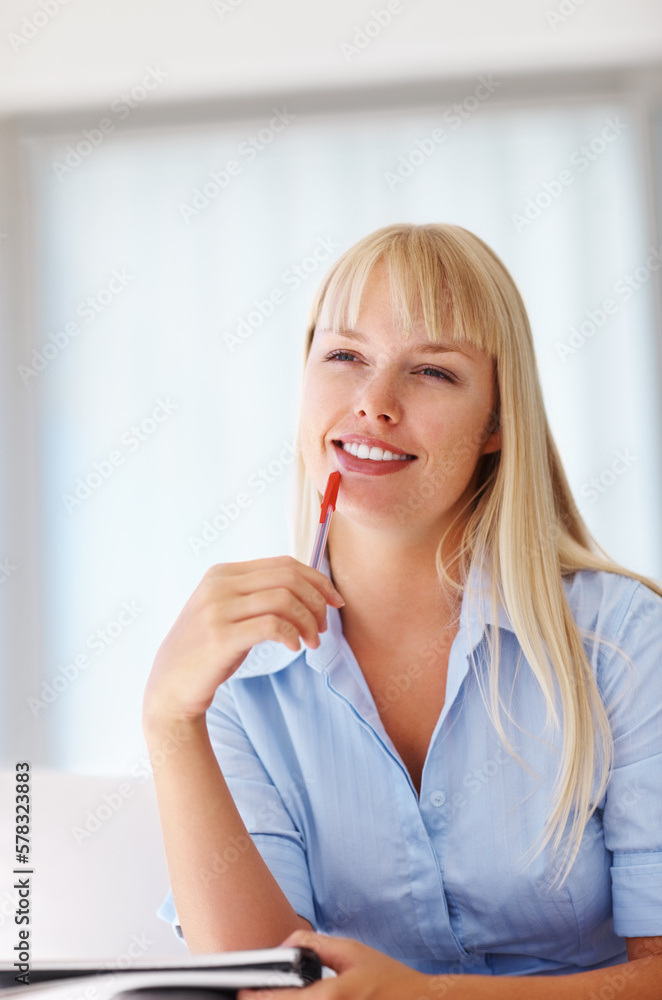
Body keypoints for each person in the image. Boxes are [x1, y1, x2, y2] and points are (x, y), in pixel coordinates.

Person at [143, 223, 662, 998]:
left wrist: (428, 998)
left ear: (495, 426)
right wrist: (167, 720)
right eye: (344, 356)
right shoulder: (235, 682)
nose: (373, 404)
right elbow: (259, 986)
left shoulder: (622, 640)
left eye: (432, 372)